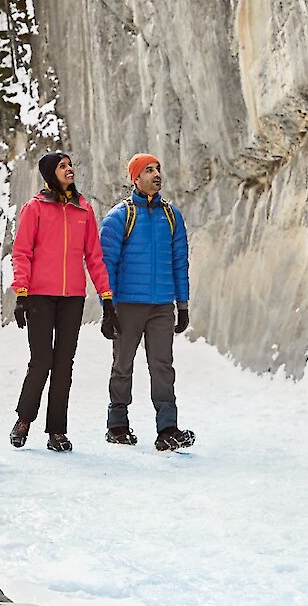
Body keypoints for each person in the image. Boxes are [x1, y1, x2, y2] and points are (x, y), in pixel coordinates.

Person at [8, 150, 113, 452]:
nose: (69, 170)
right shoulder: (35, 208)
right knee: (41, 361)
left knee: (64, 364)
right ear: (50, 173)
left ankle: (57, 430)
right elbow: (22, 252)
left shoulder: (84, 210)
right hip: (39, 296)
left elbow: (94, 257)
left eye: (70, 165)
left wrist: (107, 299)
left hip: (72, 299)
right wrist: (21, 294)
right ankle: (24, 419)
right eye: (62, 166)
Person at [101, 153, 195, 451]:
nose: (157, 174)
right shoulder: (120, 216)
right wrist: (107, 307)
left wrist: (182, 304)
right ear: (136, 178)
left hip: (162, 307)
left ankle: (167, 429)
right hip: (127, 305)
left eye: (158, 169)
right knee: (123, 365)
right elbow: (106, 264)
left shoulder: (172, 216)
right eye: (149, 170)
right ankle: (117, 424)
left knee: (163, 366)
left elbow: (180, 262)